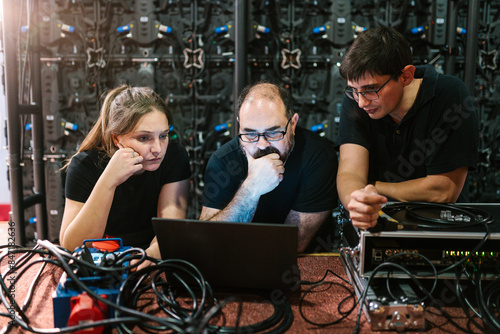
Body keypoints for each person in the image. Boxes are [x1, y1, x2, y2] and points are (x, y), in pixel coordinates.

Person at [336, 26, 479, 230]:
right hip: (378, 226)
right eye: (353, 90)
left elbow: (444, 190)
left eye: (371, 90)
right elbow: (349, 172)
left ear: (406, 76)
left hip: (438, 228)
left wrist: (372, 188)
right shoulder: (358, 99)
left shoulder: (449, 95)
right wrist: (358, 202)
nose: (361, 102)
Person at [200, 82, 338, 252]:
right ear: (239, 126)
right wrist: (251, 189)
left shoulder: (318, 157)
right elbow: (207, 240)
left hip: (304, 267)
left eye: (273, 132)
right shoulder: (223, 160)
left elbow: (292, 245)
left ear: (293, 124)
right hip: (235, 263)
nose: (262, 144)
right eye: (250, 133)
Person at [60, 85, 191, 259]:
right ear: (116, 138)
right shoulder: (85, 165)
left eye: (163, 136)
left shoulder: (174, 156)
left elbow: (170, 231)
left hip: (153, 256)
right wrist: (109, 181)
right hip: (101, 258)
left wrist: (147, 257)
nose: (158, 149)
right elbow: (72, 245)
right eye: (144, 138)